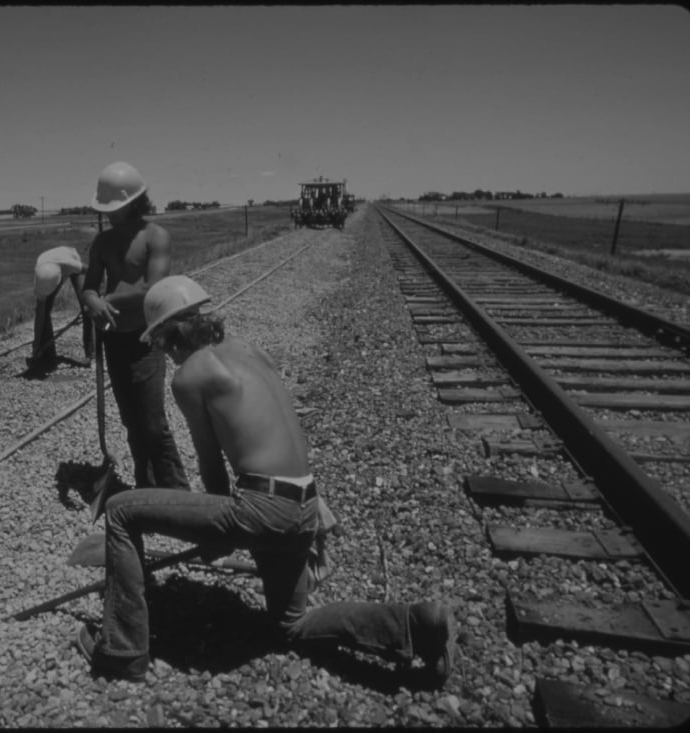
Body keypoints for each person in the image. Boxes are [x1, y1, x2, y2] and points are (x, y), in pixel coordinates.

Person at [75, 276, 456, 686]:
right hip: (305, 502)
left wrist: (218, 538)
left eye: (162, 344)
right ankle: (415, 625)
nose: (165, 355)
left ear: (171, 335)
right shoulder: (249, 350)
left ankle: (122, 650)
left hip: (264, 507)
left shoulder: (189, 377)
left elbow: (211, 463)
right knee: (291, 624)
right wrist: (305, 506)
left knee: (120, 510)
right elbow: (284, 429)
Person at [80, 161, 189, 490]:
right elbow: (88, 287)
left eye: (116, 207)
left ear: (134, 201)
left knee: (153, 423)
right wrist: (92, 300)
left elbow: (154, 290)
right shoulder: (102, 243)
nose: (110, 214)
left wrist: (106, 300)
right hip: (114, 341)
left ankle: (178, 493)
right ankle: (146, 487)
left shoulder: (156, 236)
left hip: (147, 340)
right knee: (131, 420)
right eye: (107, 208)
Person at [27, 245, 94, 374]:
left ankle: (90, 355)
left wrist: (94, 294)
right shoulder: (41, 276)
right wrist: (36, 343)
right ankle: (47, 354)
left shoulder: (71, 264)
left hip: (70, 256)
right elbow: (40, 314)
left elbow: (91, 271)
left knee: (87, 308)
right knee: (44, 311)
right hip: (49, 264)